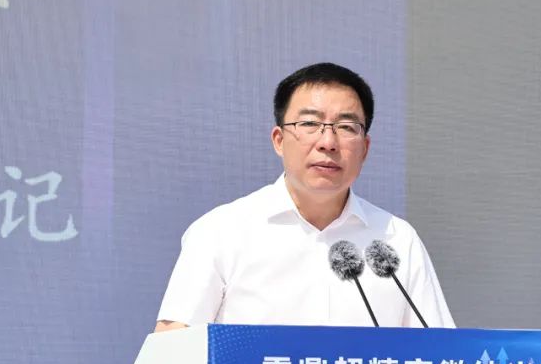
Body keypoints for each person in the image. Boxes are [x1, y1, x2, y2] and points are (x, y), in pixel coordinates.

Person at [155, 62, 455, 331]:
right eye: (310, 124)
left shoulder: (397, 240)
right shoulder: (221, 231)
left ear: (364, 149)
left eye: (346, 127)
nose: (328, 142)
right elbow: (172, 349)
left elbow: (440, 353)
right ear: (279, 140)